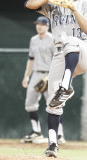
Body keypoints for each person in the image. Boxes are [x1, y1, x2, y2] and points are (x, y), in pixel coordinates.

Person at [25, 0, 87, 157]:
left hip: (83, 52)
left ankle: (66, 86)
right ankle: (52, 145)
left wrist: (73, 8)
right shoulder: (53, 5)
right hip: (60, 56)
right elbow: (28, 5)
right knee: (52, 103)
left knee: (70, 40)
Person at [21, 16, 66, 144]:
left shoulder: (53, 39)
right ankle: (36, 131)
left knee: (54, 104)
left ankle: (60, 134)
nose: (39, 26)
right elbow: (31, 59)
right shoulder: (33, 40)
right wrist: (26, 76)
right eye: (37, 24)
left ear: (47, 26)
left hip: (50, 74)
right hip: (36, 73)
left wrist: (54, 77)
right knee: (29, 102)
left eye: (42, 24)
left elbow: (59, 60)